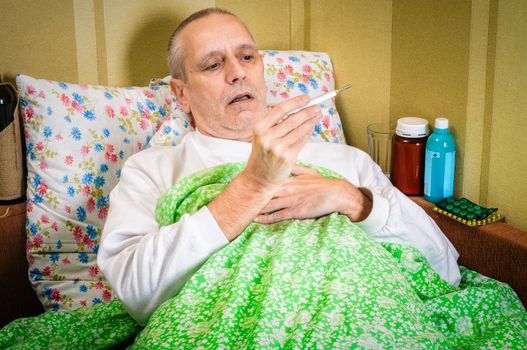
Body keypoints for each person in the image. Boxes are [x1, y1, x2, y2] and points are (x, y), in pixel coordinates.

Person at [98, 8, 461, 326]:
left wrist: (353, 200)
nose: (237, 73)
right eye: (213, 64)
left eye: (247, 57)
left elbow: (445, 270)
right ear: (181, 94)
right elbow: (135, 295)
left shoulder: (345, 161)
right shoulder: (153, 170)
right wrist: (252, 186)